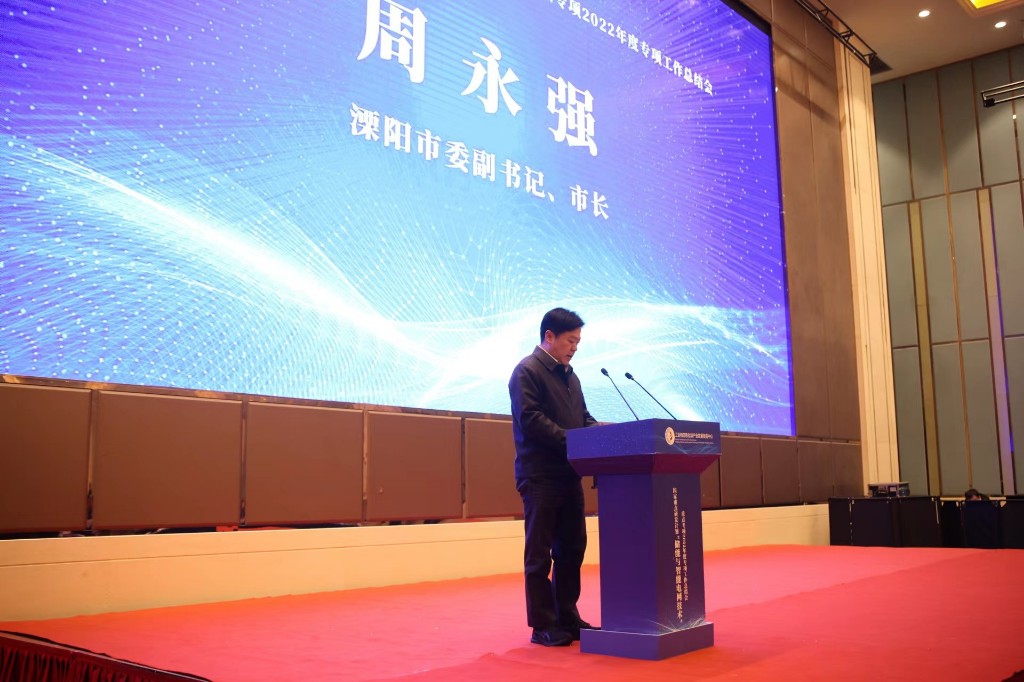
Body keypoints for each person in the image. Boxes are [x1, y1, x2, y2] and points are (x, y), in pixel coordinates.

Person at [508, 307, 599, 647]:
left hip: (569, 474)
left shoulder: (570, 376)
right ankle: (543, 625)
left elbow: (583, 417)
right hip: (540, 476)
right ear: (549, 336)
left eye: (578, 342)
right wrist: (574, 440)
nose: (575, 348)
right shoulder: (526, 372)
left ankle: (568, 617)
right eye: (570, 341)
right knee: (540, 554)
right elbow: (531, 419)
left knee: (572, 548)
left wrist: (600, 434)